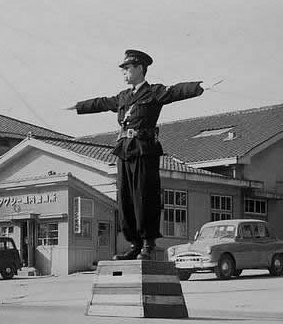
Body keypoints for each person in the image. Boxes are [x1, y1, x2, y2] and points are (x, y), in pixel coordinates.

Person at [67, 49, 204, 260]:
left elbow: (176, 91)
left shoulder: (154, 92)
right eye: (122, 69)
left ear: (140, 68)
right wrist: (78, 106)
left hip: (144, 149)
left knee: (144, 196)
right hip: (124, 150)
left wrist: (199, 87)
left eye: (127, 68)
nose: (124, 73)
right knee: (126, 198)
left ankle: (148, 243)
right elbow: (102, 102)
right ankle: (134, 244)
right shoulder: (124, 96)